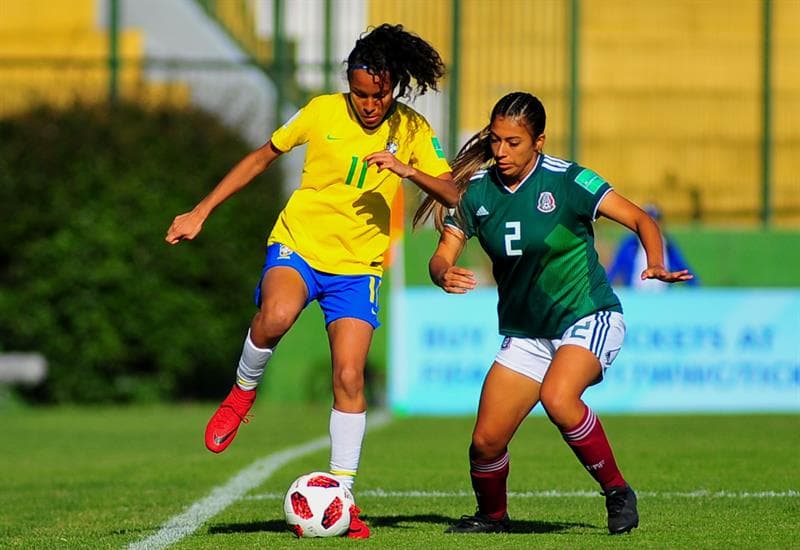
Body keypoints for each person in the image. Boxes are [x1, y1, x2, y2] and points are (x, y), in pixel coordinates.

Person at [165, 24, 456, 539]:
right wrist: (200, 210)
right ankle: (240, 394)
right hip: (298, 245)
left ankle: (341, 497)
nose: (368, 104)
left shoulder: (411, 130)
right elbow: (263, 156)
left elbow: (452, 191)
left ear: (394, 87)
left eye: (378, 94)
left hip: (357, 269)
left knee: (348, 377)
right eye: (360, 93)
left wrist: (407, 171)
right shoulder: (322, 110)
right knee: (274, 317)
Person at [414, 92, 692, 535]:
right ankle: (493, 518)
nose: (501, 152)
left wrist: (654, 260)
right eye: (496, 140)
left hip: (588, 315)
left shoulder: (567, 182)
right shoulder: (476, 193)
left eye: (514, 142)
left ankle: (618, 492)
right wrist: (442, 272)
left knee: (559, 399)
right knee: (485, 443)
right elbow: (440, 255)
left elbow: (641, 219)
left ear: (538, 142)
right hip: (527, 333)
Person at [606, 203, 699, 291]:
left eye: (655, 220)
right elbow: (616, 266)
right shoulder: (631, 243)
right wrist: (606, 285)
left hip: (661, 295)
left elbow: (679, 265)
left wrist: (695, 286)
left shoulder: (667, 243)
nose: (651, 224)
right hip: (636, 293)